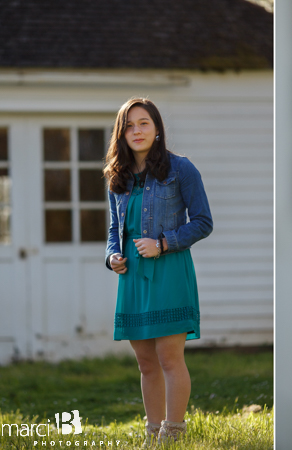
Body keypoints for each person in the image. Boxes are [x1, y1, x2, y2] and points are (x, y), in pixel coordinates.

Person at [103, 98, 213, 444]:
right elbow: (113, 230)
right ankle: (153, 433)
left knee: (169, 358)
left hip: (168, 270)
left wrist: (163, 243)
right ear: (121, 134)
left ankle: (174, 433)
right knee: (146, 363)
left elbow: (203, 222)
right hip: (133, 277)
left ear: (158, 128)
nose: (137, 131)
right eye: (129, 126)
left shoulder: (181, 170)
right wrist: (112, 257)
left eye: (144, 123)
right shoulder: (116, 177)